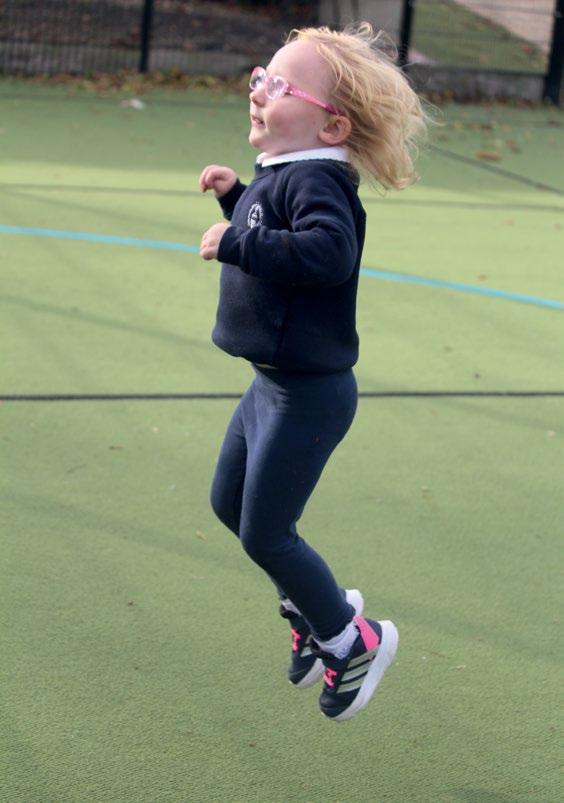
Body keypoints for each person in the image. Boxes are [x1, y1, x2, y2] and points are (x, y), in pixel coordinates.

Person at [198, 22, 431, 722]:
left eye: (279, 86)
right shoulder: (285, 172)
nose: (258, 92)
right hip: (269, 384)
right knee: (229, 505)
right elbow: (273, 227)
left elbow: (326, 253)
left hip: (308, 394)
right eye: (260, 77)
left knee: (267, 532)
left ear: (331, 125)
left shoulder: (320, 179)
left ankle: (352, 638)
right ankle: (309, 609)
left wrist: (237, 239)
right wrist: (236, 197)